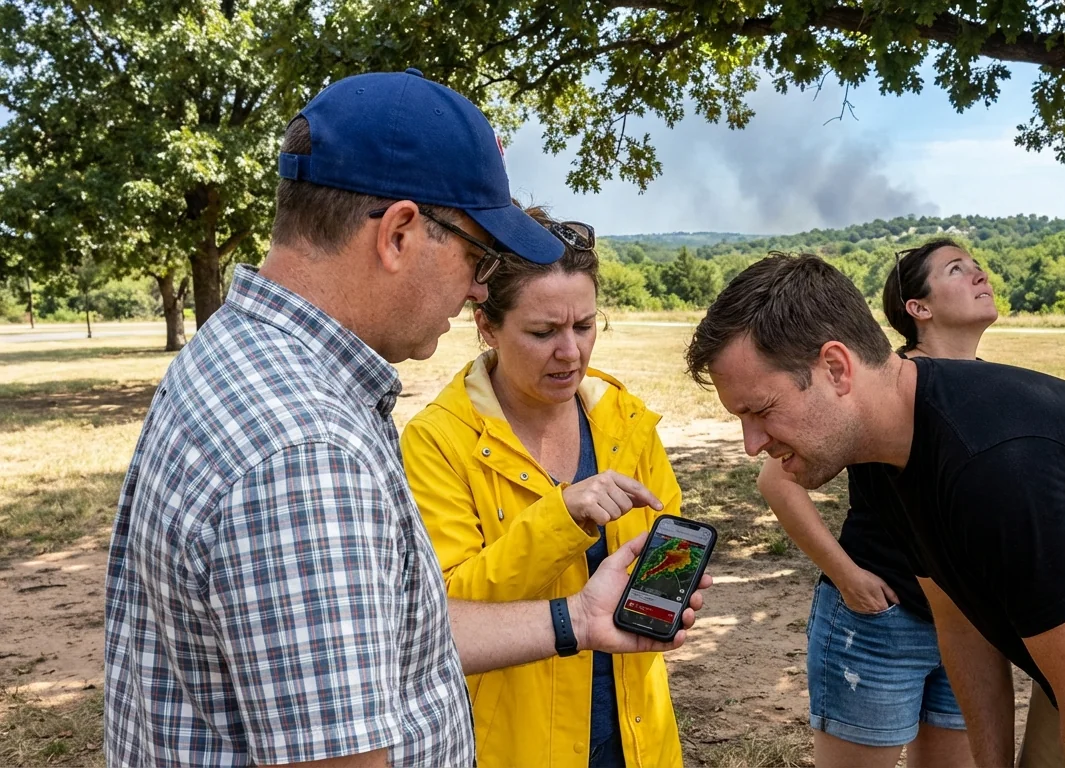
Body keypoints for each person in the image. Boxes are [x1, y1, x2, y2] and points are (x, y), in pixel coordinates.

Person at [103, 69, 708, 768]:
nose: (479, 287)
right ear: (398, 233)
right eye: (477, 254)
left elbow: (390, 631)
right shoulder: (308, 451)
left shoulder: (238, 358)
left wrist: (576, 619)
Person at [685, 253, 1065, 768]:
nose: (752, 444)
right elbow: (959, 619)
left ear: (836, 369)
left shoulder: (998, 467)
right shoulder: (879, 448)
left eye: (759, 410)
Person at [402, 207, 687, 768]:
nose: (571, 352)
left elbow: (662, 548)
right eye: (543, 332)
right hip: (513, 746)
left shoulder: (624, 418)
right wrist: (562, 519)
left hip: (638, 735)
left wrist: (675, 583)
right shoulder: (437, 441)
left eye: (584, 326)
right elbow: (441, 618)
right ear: (486, 325)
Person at [755, 240, 993, 768]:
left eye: (977, 267)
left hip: (971, 627)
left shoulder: (988, 386)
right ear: (918, 308)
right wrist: (847, 576)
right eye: (958, 269)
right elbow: (778, 481)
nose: (979, 276)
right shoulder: (885, 385)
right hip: (883, 624)